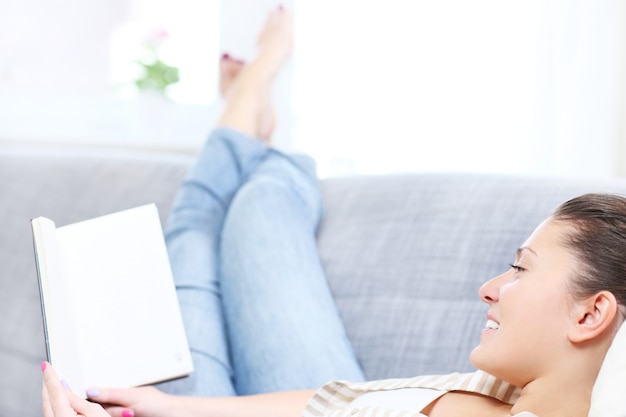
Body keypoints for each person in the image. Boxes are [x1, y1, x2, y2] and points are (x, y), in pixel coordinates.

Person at [41, 7, 626, 417]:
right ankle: (256, 122)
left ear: (592, 314)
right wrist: (177, 407)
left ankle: (252, 106)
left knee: (208, 227)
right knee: (258, 206)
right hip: (314, 398)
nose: (489, 288)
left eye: (521, 269)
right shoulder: (502, 385)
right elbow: (336, 401)